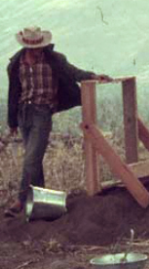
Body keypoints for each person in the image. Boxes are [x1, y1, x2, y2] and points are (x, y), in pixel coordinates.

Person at [4, 26, 111, 217]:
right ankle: (42, 205)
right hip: (23, 113)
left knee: (31, 159)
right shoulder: (16, 63)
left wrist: (94, 76)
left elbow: (73, 72)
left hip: (42, 113)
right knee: (34, 161)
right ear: (26, 45)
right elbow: (13, 93)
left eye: (39, 46)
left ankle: (20, 201)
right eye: (33, 47)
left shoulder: (54, 59)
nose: (37, 50)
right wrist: (12, 121)